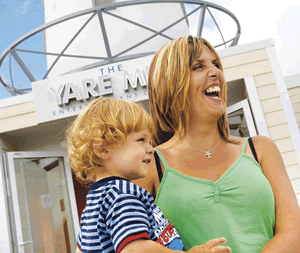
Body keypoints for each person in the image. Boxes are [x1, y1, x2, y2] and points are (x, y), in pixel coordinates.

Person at [135, 35, 300, 253]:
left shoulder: (260, 149)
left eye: (216, 64)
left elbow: (293, 233)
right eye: (198, 66)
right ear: (171, 84)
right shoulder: (148, 165)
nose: (216, 73)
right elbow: (132, 246)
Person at [66, 97, 231, 253]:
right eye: (141, 140)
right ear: (102, 149)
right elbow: (135, 249)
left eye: (150, 142)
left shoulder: (98, 199)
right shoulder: (122, 193)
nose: (151, 149)